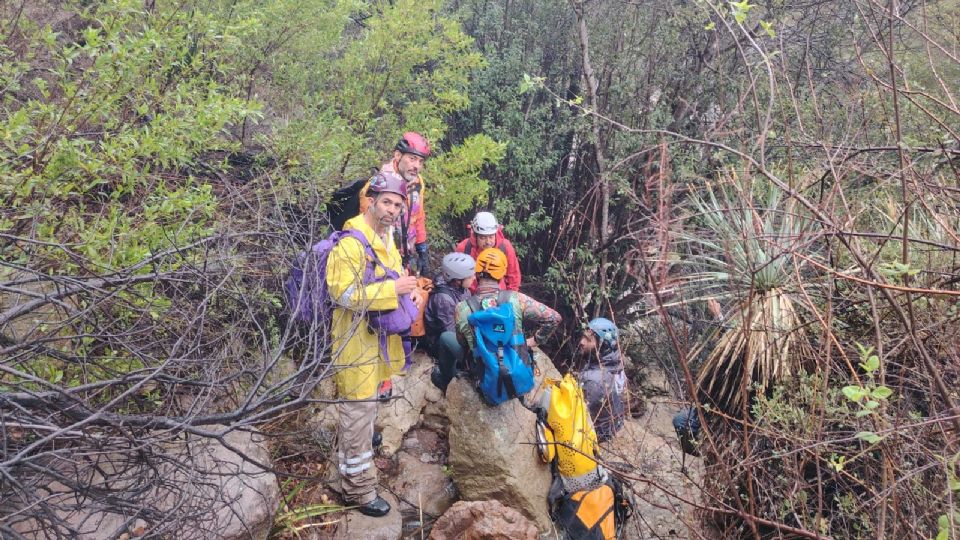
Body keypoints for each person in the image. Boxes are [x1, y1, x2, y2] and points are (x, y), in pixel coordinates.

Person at [326, 171, 420, 517]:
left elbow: (392, 275)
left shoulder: (385, 238)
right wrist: (390, 291)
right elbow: (341, 294)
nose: (392, 209)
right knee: (357, 413)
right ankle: (359, 491)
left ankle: (342, 474)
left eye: (397, 204)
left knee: (362, 415)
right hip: (354, 344)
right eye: (386, 202)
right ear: (371, 202)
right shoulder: (351, 244)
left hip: (375, 344)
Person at [455, 248, 560, 362]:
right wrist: (535, 340)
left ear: (476, 273)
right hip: (516, 366)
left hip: (483, 372)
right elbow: (554, 318)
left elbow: (462, 342)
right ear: (502, 274)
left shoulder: (461, 308)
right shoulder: (517, 299)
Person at [360, 132, 432, 275]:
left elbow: (418, 216)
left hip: (407, 252)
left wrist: (421, 248)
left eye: (420, 161)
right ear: (398, 155)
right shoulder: (378, 184)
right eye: (412, 159)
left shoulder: (418, 183)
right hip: (382, 253)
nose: (416, 165)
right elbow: (363, 223)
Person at [424, 252, 475, 392]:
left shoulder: (462, 289)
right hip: (439, 341)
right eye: (470, 276)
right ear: (457, 279)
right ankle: (447, 377)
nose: (474, 278)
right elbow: (449, 331)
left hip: (460, 330)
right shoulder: (443, 299)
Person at [578, 317, 627, 442]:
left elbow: (576, 414)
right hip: (612, 424)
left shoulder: (595, 381)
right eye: (583, 337)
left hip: (598, 433)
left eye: (588, 339)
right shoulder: (614, 363)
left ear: (603, 346)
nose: (582, 342)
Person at [455, 211, 521, 292]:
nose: (488, 242)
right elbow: (456, 278)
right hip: (471, 298)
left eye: (491, 237)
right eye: (483, 238)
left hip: (499, 297)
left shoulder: (505, 247)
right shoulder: (464, 248)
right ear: (475, 235)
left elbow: (513, 277)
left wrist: (509, 298)